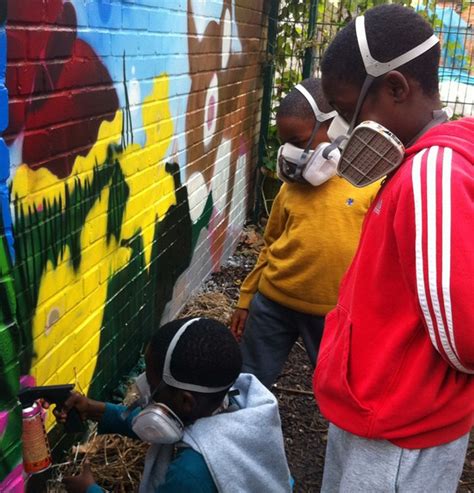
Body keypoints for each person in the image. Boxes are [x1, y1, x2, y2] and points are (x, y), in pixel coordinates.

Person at [313, 5, 474, 492]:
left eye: (349, 112)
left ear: (397, 88)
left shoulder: (433, 174)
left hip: (399, 433)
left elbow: (464, 337)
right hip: (382, 416)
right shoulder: (416, 163)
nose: (344, 130)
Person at [230, 78, 380, 388]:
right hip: (273, 303)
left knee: (339, 388)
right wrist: (246, 299)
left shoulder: (370, 185)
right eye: (285, 143)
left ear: (336, 129)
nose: (291, 154)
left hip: (332, 314)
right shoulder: (289, 189)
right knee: (248, 384)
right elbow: (270, 245)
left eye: (299, 142)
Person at [53, 317, 292, 493]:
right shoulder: (241, 405)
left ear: (186, 401)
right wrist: (95, 409)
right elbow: (155, 421)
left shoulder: (191, 473)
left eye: (152, 384)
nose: (143, 386)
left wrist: (89, 491)